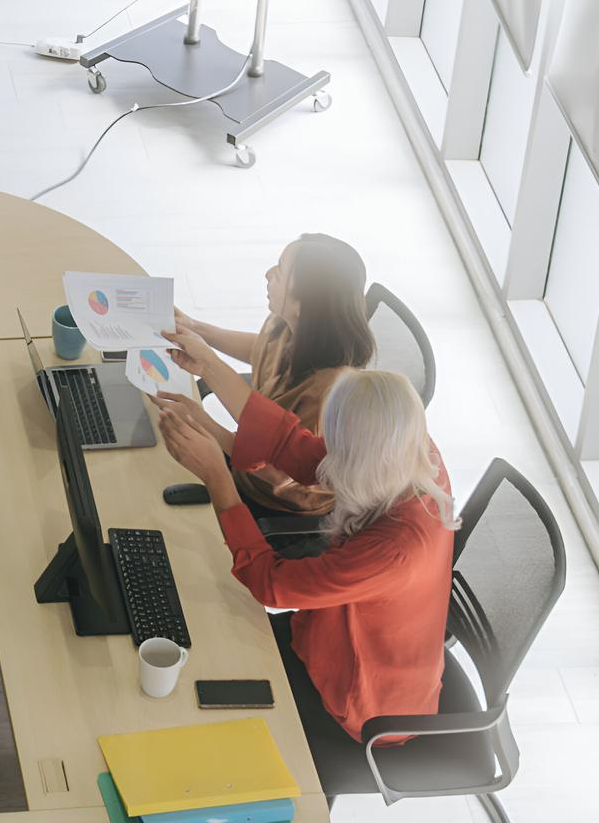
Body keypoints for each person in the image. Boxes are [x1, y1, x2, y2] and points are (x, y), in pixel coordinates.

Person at [154, 368, 456, 747]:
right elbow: (307, 454)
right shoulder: (413, 450)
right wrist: (213, 433)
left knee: (209, 678)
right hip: (333, 631)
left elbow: (270, 584)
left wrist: (218, 477)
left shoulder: (394, 552)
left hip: (365, 702)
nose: (328, 448)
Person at [168, 235, 375, 517]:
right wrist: (197, 328)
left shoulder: (329, 391)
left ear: (305, 302)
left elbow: (279, 475)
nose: (268, 274)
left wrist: (209, 429)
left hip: (272, 496)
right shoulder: (288, 322)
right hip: (245, 454)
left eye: (279, 271)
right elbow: (262, 349)